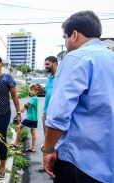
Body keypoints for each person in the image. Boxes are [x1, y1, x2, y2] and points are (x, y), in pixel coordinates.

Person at [43, 11, 114, 183]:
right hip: (107, 163)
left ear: (74, 35)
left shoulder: (76, 58)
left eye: (65, 37)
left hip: (78, 161)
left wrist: (48, 149)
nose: (65, 43)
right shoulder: (110, 58)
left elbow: (59, 114)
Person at [38, 56, 58, 173]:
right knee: (47, 140)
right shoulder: (49, 77)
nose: (45, 67)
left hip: (55, 113)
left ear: (55, 63)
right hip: (46, 112)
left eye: (47, 64)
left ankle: (55, 166)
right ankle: (45, 163)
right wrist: (41, 90)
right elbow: (49, 92)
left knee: (56, 140)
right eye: (45, 64)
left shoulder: (61, 77)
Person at [10, 85, 40, 152]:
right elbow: (28, 105)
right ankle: (32, 147)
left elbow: (27, 104)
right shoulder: (34, 98)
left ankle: (16, 143)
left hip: (30, 118)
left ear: (37, 91)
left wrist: (23, 107)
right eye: (30, 90)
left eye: (32, 90)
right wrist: (23, 108)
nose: (30, 91)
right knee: (32, 131)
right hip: (34, 119)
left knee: (19, 127)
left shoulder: (34, 99)